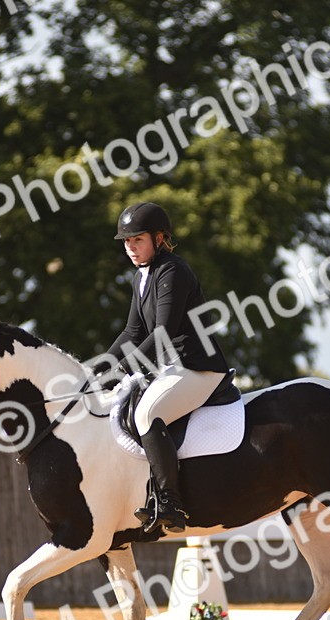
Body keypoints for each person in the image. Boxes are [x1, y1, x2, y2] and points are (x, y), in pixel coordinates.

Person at [96, 201, 230, 534]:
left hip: (198, 367)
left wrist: (120, 370)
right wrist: (98, 369)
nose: (131, 247)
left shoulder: (173, 270)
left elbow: (162, 334)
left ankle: (171, 503)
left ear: (159, 238)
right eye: (127, 242)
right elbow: (132, 333)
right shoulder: (140, 277)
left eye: (137, 240)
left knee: (146, 414)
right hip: (173, 368)